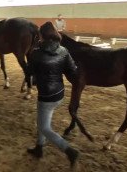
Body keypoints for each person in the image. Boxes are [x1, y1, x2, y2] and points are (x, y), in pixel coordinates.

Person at [27, 21, 79, 168]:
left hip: (46, 96)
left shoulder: (36, 53)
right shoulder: (63, 50)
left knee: (44, 127)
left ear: (41, 36)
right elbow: (73, 70)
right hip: (59, 94)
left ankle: (69, 151)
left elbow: (30, 72)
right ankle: (39, 148)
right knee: (42, 121)